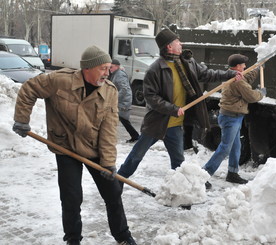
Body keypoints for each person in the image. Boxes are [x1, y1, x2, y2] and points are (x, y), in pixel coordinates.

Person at [12, 45, 136, 245]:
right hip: (66, 147)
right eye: (103, 68)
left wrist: (108, 162)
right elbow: (30, 88)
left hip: (94, 148)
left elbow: (109, 129)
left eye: (108, 68)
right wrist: (22, 119)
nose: (107, 73)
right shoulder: (60, 80)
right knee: (71, 198)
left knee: (113, 193)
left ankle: (123, 237)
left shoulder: (110, 91)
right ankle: (73, 239)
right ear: (87, 68)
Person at [118, 28, 242, 179]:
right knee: (136, 156)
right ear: (169, 46)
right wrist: (172, 109)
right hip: (156, 124)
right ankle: (119, 180)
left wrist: (230, 74)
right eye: (177, 41)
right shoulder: (155, 69)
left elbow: (207, 74)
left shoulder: (187, 63)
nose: (180, 43)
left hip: (175, 125)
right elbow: (151, 97)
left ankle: (183, 192)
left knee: (178, 162)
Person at [202, 54, 266, 189]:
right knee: (225, 148)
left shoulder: (234, 76)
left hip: (234, 117)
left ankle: (232, 173)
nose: (245, 67)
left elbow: (246, 77)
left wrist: (256, 69)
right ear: (238, 66)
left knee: (236, 146)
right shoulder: (236, 81)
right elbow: (251, 96)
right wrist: (261, 93)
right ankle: (203, 175)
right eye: (243, 65)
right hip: (231, 118)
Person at [109, 59, 140, 143]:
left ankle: (136, 136)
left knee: (121, 119)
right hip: (122, 100)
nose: (110, 69)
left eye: (111, 67)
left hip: (123, 101)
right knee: (121, 119)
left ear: (117, 66)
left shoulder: (119, 75)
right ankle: (135, 136)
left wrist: (115, 98)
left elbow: (124, 89)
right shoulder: (116, 74)